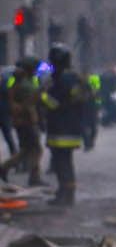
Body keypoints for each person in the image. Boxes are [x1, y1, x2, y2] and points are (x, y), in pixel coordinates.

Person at [41, 47, 92, 208]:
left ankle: (66, 195)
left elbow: (54, 103)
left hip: (60, 127)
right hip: (71, 127)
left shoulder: (62, 79)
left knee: (62, 162)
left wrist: (41, 95)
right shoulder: (74, 78)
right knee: (65, 161)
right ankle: (65, 192)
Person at [4, 58, 42, 186]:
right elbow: (34, 100)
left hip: (21, 121)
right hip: (27, 121)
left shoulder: (18, 82)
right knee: (35, 149)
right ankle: (34, 177)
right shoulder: (26, 84)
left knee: (27, 150)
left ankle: (6, 168)